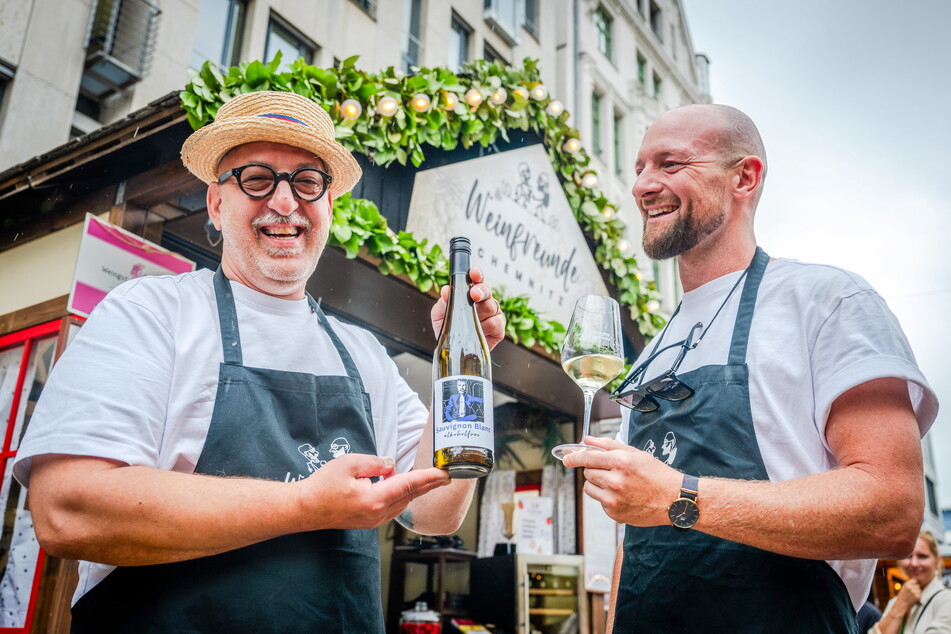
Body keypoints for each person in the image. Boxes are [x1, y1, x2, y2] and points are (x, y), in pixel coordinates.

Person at [13, 90, 507, 632]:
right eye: (256, 179)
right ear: (216, 204)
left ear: (328, 207)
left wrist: (458, 370)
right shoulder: (153, 311)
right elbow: (66, 508)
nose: (285, 202)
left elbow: (436, 512)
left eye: (307, 182)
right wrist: (305, 505)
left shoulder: (367, 355)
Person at [563, 104, 938, 632]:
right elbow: (634, 536)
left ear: (745, 176)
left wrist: (679, 497)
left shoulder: (824, 300)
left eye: (670, 164)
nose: (643, 185)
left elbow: (892, 510)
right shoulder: (653, 351)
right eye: (640, 168)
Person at [871, 531, 951, 633]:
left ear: (936, 562)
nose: (914, 563)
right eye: (909, 556)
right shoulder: (897, 601)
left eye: (922, 556)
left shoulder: (946, 600)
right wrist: (900, 605)